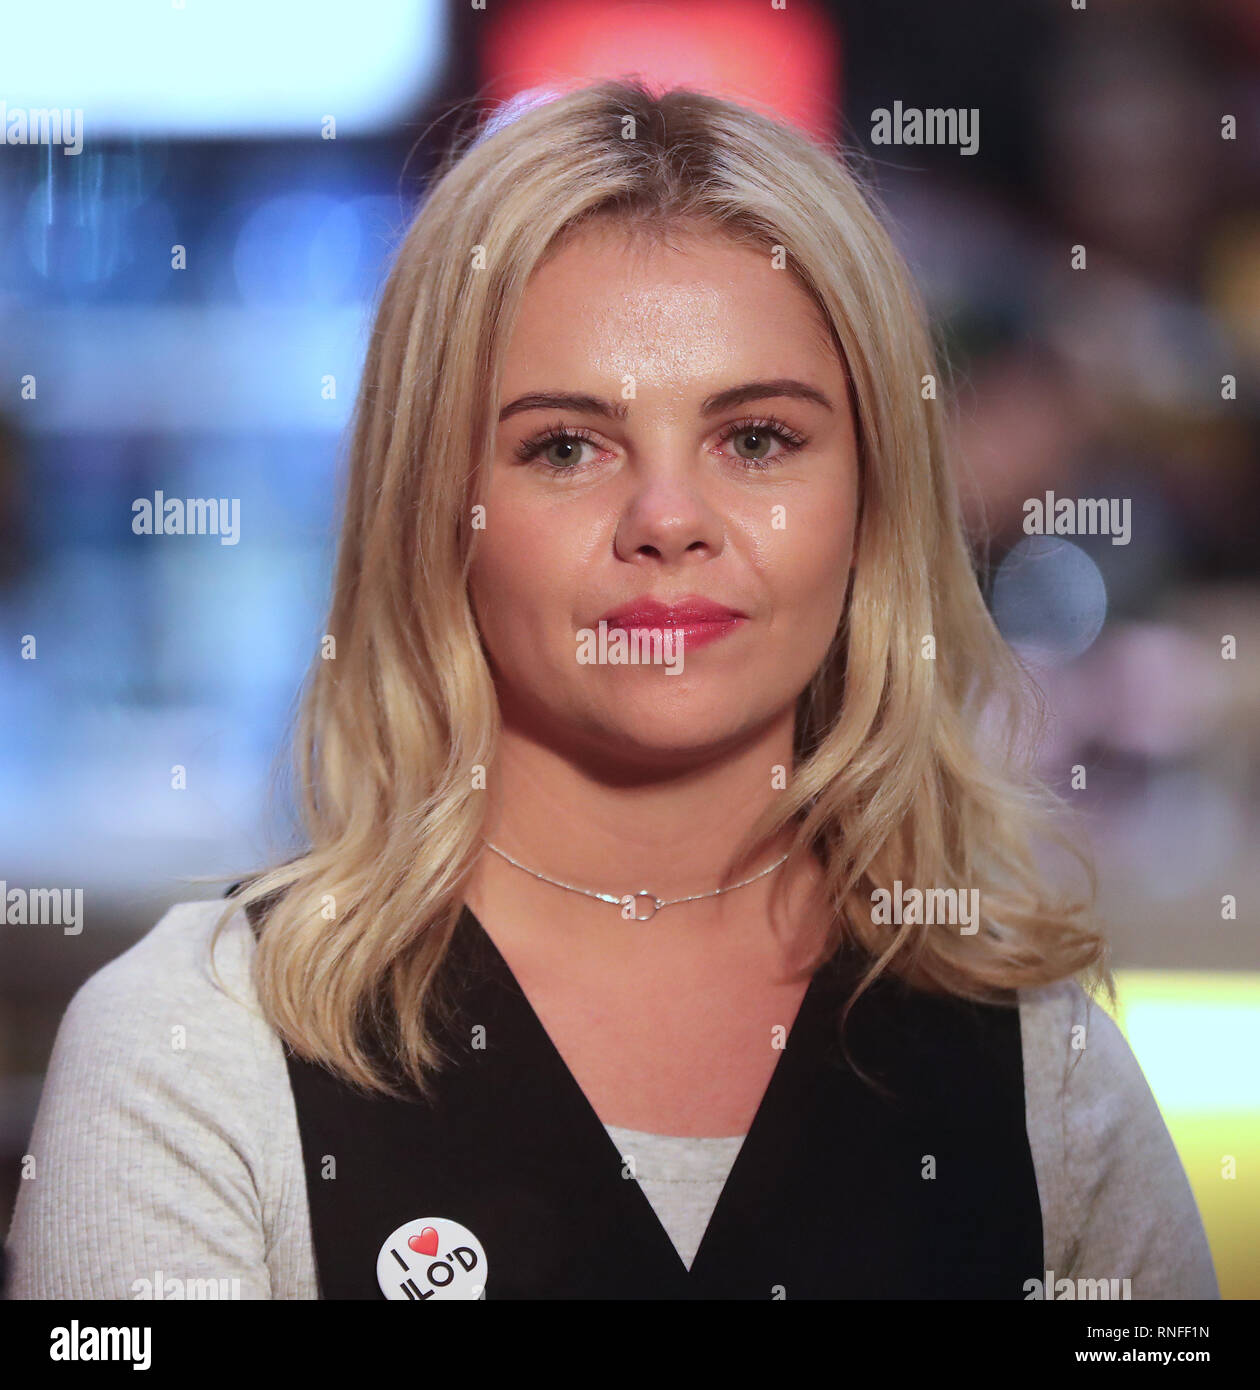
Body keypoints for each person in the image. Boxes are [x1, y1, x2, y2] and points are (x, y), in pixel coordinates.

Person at [5, 79, 1218, 1300]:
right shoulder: (193, 1046)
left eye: (756, 438)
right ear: (434, 511)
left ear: (875, 505)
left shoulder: (1039, 1068)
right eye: (564, 447)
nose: (669, 521)